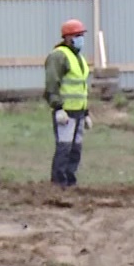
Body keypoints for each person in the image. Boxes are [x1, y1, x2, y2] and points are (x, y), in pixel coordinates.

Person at [44, 19, 92, 187]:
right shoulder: (59, 56)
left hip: (78, 111)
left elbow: (81, 87)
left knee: (75, 149)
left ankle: (70, 181)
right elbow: (52, 83)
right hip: (65, 112)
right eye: (77, 35)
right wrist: (58, 108)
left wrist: (86, 112)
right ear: (68, 37)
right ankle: (59, 183)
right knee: (64, 148)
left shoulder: (78, 58)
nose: (81, 39)